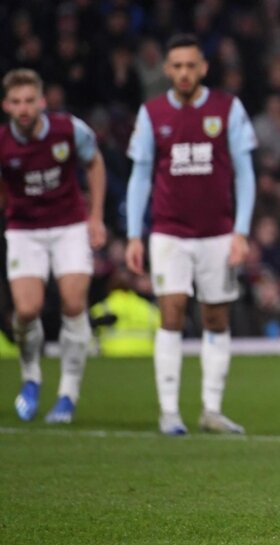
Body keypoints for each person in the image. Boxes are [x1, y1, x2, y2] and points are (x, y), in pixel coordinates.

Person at [125, 34, 257, 436]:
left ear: (203, 68)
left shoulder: (227, 108)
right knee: (172, 311)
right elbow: (141, 176)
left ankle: (211, 410)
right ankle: (169, 411)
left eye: (191, 65)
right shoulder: (152, 113)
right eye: (177, 66)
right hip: (169, 232)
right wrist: (133, 234)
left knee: (216, 316)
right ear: (167, 70)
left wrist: (242, 231)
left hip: (218, 233)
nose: (184, 73)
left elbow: (245, 172)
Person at [1, 68, 106, 424]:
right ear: (6, 105)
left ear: (42, 101)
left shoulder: (68, 130)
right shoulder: (2, 142)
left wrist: (95, 217)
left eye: (30, 100)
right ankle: (31, 375)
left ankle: (68, 393)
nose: (24, 108)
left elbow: (94, 164)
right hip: (24, 229)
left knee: (74, 302)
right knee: (27, 310)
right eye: (16, 102)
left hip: (69, 225)